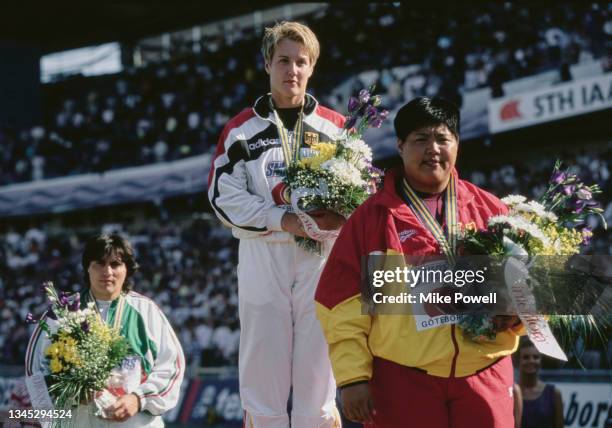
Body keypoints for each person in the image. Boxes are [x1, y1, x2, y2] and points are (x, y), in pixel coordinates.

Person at [315, 97, 525, 428]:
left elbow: (527, 287)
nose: (433, 149)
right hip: (402, 380)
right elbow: (339, 303)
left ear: (457, 144)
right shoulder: (370, 219)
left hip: (485, 373)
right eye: (420, 139)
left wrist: (517, 314)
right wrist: (352, 377)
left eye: (443, 138)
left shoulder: (493, 211)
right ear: (400, 146)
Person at [207, 21, 345, 428]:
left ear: (312, 68)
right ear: (267, 64)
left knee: (319, 379)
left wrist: (343, 216)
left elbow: (363, 193)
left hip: (321, 256)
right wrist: (281, 219)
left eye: (302, 62)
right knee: (262, 377)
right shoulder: (240, 130)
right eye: (283, 60)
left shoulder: (338, 129)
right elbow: (221, 196)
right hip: (263, 253)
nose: (293, 70)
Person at [25, 233, 185, 427]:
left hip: (135, 421)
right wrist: (71, 394)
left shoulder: (146, 310)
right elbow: (35, 373)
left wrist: (138, 398)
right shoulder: (60, 313)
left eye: (115, 264)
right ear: (87, 268)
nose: (107, 271)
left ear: (127, 269)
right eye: (99, 264)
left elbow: (172, 367)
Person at [518, 339, 564, 428]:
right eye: (526, 357)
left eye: (535, 357)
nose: (531, 360)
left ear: (541, 361)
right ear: (518, 361)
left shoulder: (554, 393)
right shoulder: (511, 394)